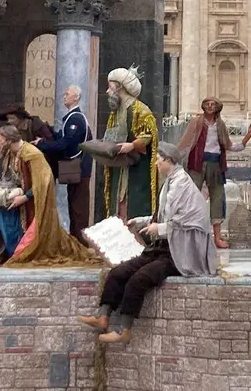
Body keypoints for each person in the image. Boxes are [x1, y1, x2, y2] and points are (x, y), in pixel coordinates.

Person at [79, 142, 218, 344]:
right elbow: (164, 215)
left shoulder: (183, 186)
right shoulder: (170, 182)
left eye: (159, 161)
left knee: (139, 279)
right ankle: (103, 316)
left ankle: (124, 329)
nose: (156, 165)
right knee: (119, 272)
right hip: (160, 247)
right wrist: (144, 220)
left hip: (178, 251)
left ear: (169, 161)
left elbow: (190, 222)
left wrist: (159, 229)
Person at [0, 125, 97, 268]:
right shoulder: (11, 153)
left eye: (0, 140)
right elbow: (11, 179)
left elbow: (44, 181)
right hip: (17, 200)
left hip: (32, 205)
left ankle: (17, 249)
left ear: (9, 141)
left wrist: (24, 197)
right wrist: (4, 193)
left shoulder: (32, 154)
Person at [176, 97, 251, 248]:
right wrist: (172, 157)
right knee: (191, 196)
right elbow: (185, 142)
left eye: (212, 104)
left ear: (217, 108)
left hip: (216, 164)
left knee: (218, 199)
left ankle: (217, 237)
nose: (209, 106)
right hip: (197, 163)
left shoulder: (220, 125)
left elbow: (232, 146)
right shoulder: (196, 122)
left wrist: (248, 136)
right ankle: (189, 234)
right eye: (207, 104)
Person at [96, 67, 158, 221]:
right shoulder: (116, 111)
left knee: (132, 205)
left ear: (119, 87)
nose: (107, 91)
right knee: (118, 203)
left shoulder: (140, 110)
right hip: (119, 164)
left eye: (110, 87)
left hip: (136, 167)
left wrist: (132, 145)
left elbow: (149, 135)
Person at [35, 84, 92, 242]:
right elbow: (62, 137)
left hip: (78, 167)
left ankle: (81, 244)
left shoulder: (76, 118)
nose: (64, 96)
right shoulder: (70, 118)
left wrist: (41, 144)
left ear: (76, 98)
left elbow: (64, 144)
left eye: (67, 94)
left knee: (78, 208)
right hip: (71, 166)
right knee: (72, 204)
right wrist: (47, 131)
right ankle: (75, 242)